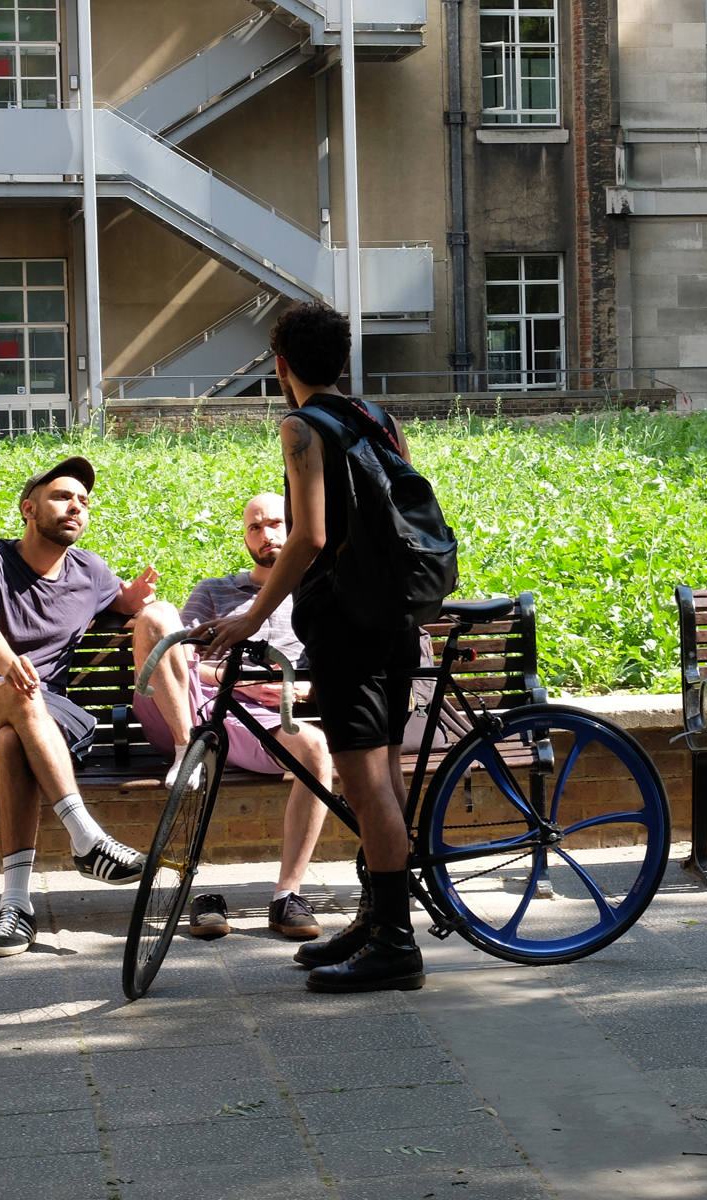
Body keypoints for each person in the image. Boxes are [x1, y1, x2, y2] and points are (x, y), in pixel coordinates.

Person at [198, 301, 425, 993]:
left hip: (349, 629)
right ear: (345, 361)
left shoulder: (301, 426)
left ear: (281, 366)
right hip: (395, 619)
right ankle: (370, 921)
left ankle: (395, 943)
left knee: (368, 786)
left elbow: (310, 537)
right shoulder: (379, 419)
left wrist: (252, 616)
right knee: (380, 778)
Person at [0, 456, 169, 958]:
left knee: (14, 735)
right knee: (17, 702)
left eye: (83, 501)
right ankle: (86, 837)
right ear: (29, 507)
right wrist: (7, 665)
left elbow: (123, 605)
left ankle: (15, 907)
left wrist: (133, 600)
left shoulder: (91, 571)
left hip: (43, 719)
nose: (75, 507)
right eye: (63, 496)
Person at [132, 493, 335, 940]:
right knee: (158, 615)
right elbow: (181, 660)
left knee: (316, 749)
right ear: (245, 536)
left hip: (259, 719)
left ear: (295, 526)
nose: (266, 536)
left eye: (276, 524)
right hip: (188, 706)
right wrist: (237, 680)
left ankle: (287, 895)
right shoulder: (213, 591)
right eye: (255, 527)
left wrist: (308, 688)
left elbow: (335, 666)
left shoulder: (319, 592)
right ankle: (187, 751)